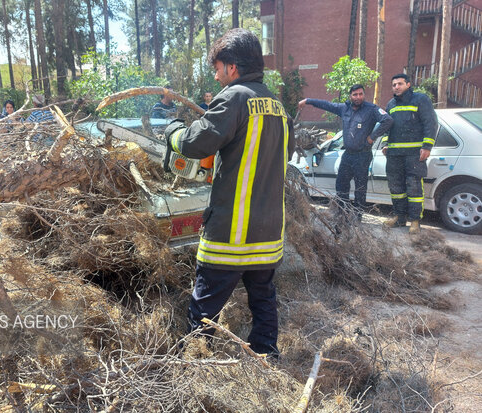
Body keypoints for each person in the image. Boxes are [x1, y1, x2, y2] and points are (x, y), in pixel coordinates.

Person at [164, 28, 295, 359]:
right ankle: (266, 356)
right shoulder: (279, 108)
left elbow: (196, 143)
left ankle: (196, 362)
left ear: (232, 67)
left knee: (204, 305)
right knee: (263, 299)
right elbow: (281, 154)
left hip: (232, 232)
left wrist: (174, 132)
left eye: (217, 67)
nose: (216, 74)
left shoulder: (234, 97)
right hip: (268, 232)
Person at [298, 85, 393, 218]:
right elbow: (326, 105)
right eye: (355, 94)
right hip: (348, 155)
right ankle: (342, 212)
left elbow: (387, 120)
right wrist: (308, 100)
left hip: (363, 155)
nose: (358, 97)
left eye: (360, 94)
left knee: (360, 187)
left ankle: (357, 216)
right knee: (341, 184)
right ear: (350, 96)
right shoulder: (344, 109)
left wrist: (372, 137)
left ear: (364, 95)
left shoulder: (371, 109)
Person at [383, 73, 438, 234]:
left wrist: (427, 146)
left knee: (414, 188)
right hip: (394, 154)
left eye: (400, 84)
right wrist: (386, 143)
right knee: (396, 188)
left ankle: (415, 221)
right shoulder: (391, 104)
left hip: (414, 154)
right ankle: (400, 218)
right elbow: (388, 126)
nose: (396, 87)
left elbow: (430, 123)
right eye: (394, 85)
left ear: (408, 84)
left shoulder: (420, 99)